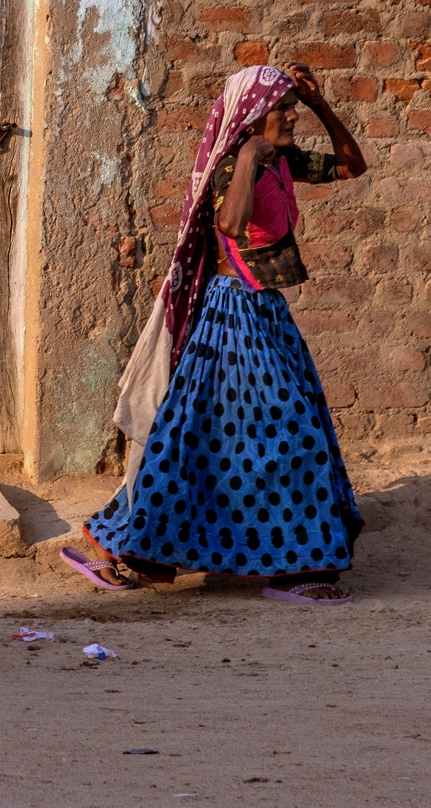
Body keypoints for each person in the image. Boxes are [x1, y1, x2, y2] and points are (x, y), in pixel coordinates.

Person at [64, 62, 370, 604]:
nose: (292, 115)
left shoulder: (281, 160)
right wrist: (249, 156)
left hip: (265, 312)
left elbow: (352, 166)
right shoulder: (235, 165)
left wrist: (322, 106)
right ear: (252, 118)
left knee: (217, 441)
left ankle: (285, 562)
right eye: (283, 108)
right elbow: (230, 224)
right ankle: (284, 566)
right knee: (285, 429)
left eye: (293, 107)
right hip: (231, 316)